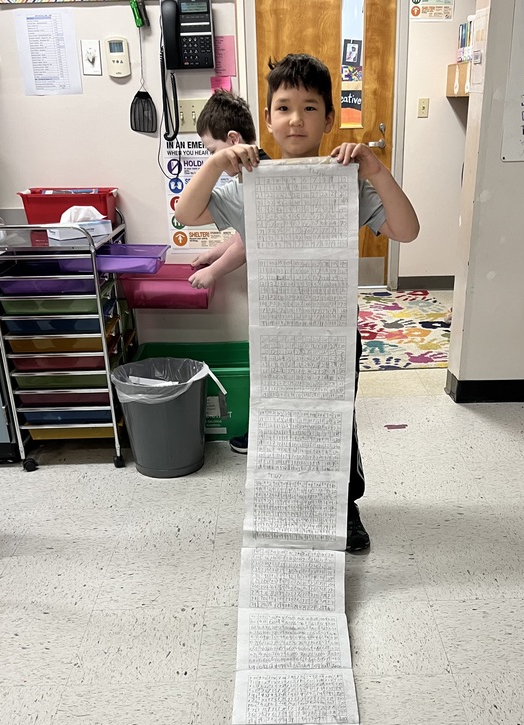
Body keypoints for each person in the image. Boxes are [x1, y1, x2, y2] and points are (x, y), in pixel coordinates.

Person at [175, 53, 420, 552]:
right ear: (267, 118)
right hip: (276, 334)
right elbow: (187, 212)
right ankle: (293, 503)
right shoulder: (249, 182)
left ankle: (345, 505)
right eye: (283, 107)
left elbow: (407, 230)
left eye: (310, 108)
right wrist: (219, 160)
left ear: (329, 118)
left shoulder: (345, 179)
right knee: (281, 419)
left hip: (332, 331)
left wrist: (375, 170)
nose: (295, 119)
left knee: (335, 418)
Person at [188, 88, 270, 455]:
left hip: (284, 298)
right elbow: (243, 231)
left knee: (272, 374)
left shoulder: (261, 180)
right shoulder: (245, 181)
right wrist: (213, 252)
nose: (210, 160)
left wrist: (214, 271)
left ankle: (266, 436)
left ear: (232, 142)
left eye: (211, 152)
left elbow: (251, 242)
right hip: (275, 297)